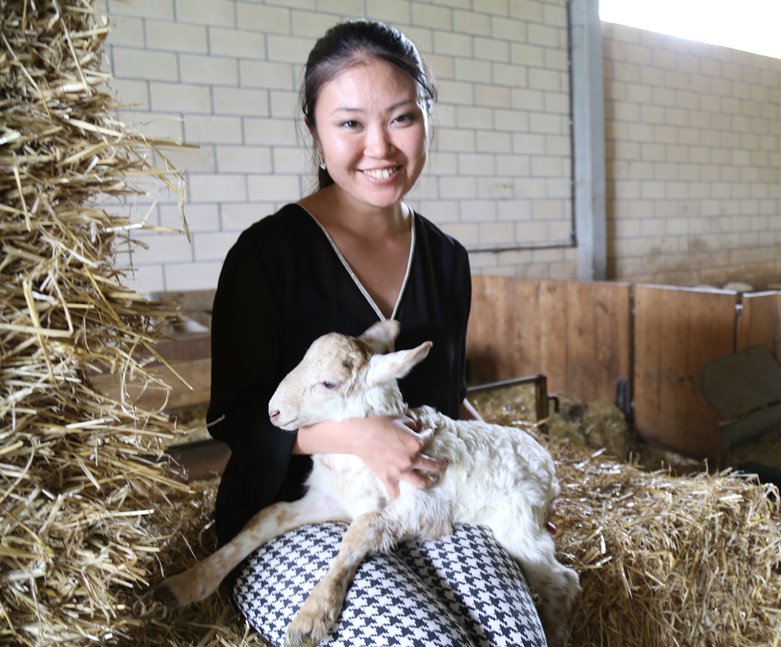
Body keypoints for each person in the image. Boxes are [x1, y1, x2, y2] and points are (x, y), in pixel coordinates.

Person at [205, 19, 547, 647]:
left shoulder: (447, 259)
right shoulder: (266, 255)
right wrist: (358, 436)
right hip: (297, 512)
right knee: (422, 637)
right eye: (350, 123)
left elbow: (446, 398)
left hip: (418, 504)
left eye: (401, 118)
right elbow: (234, 418)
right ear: (315, 131)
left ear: (427, 119)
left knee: (513, 631)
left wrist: (507, 459)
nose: (380, 148)